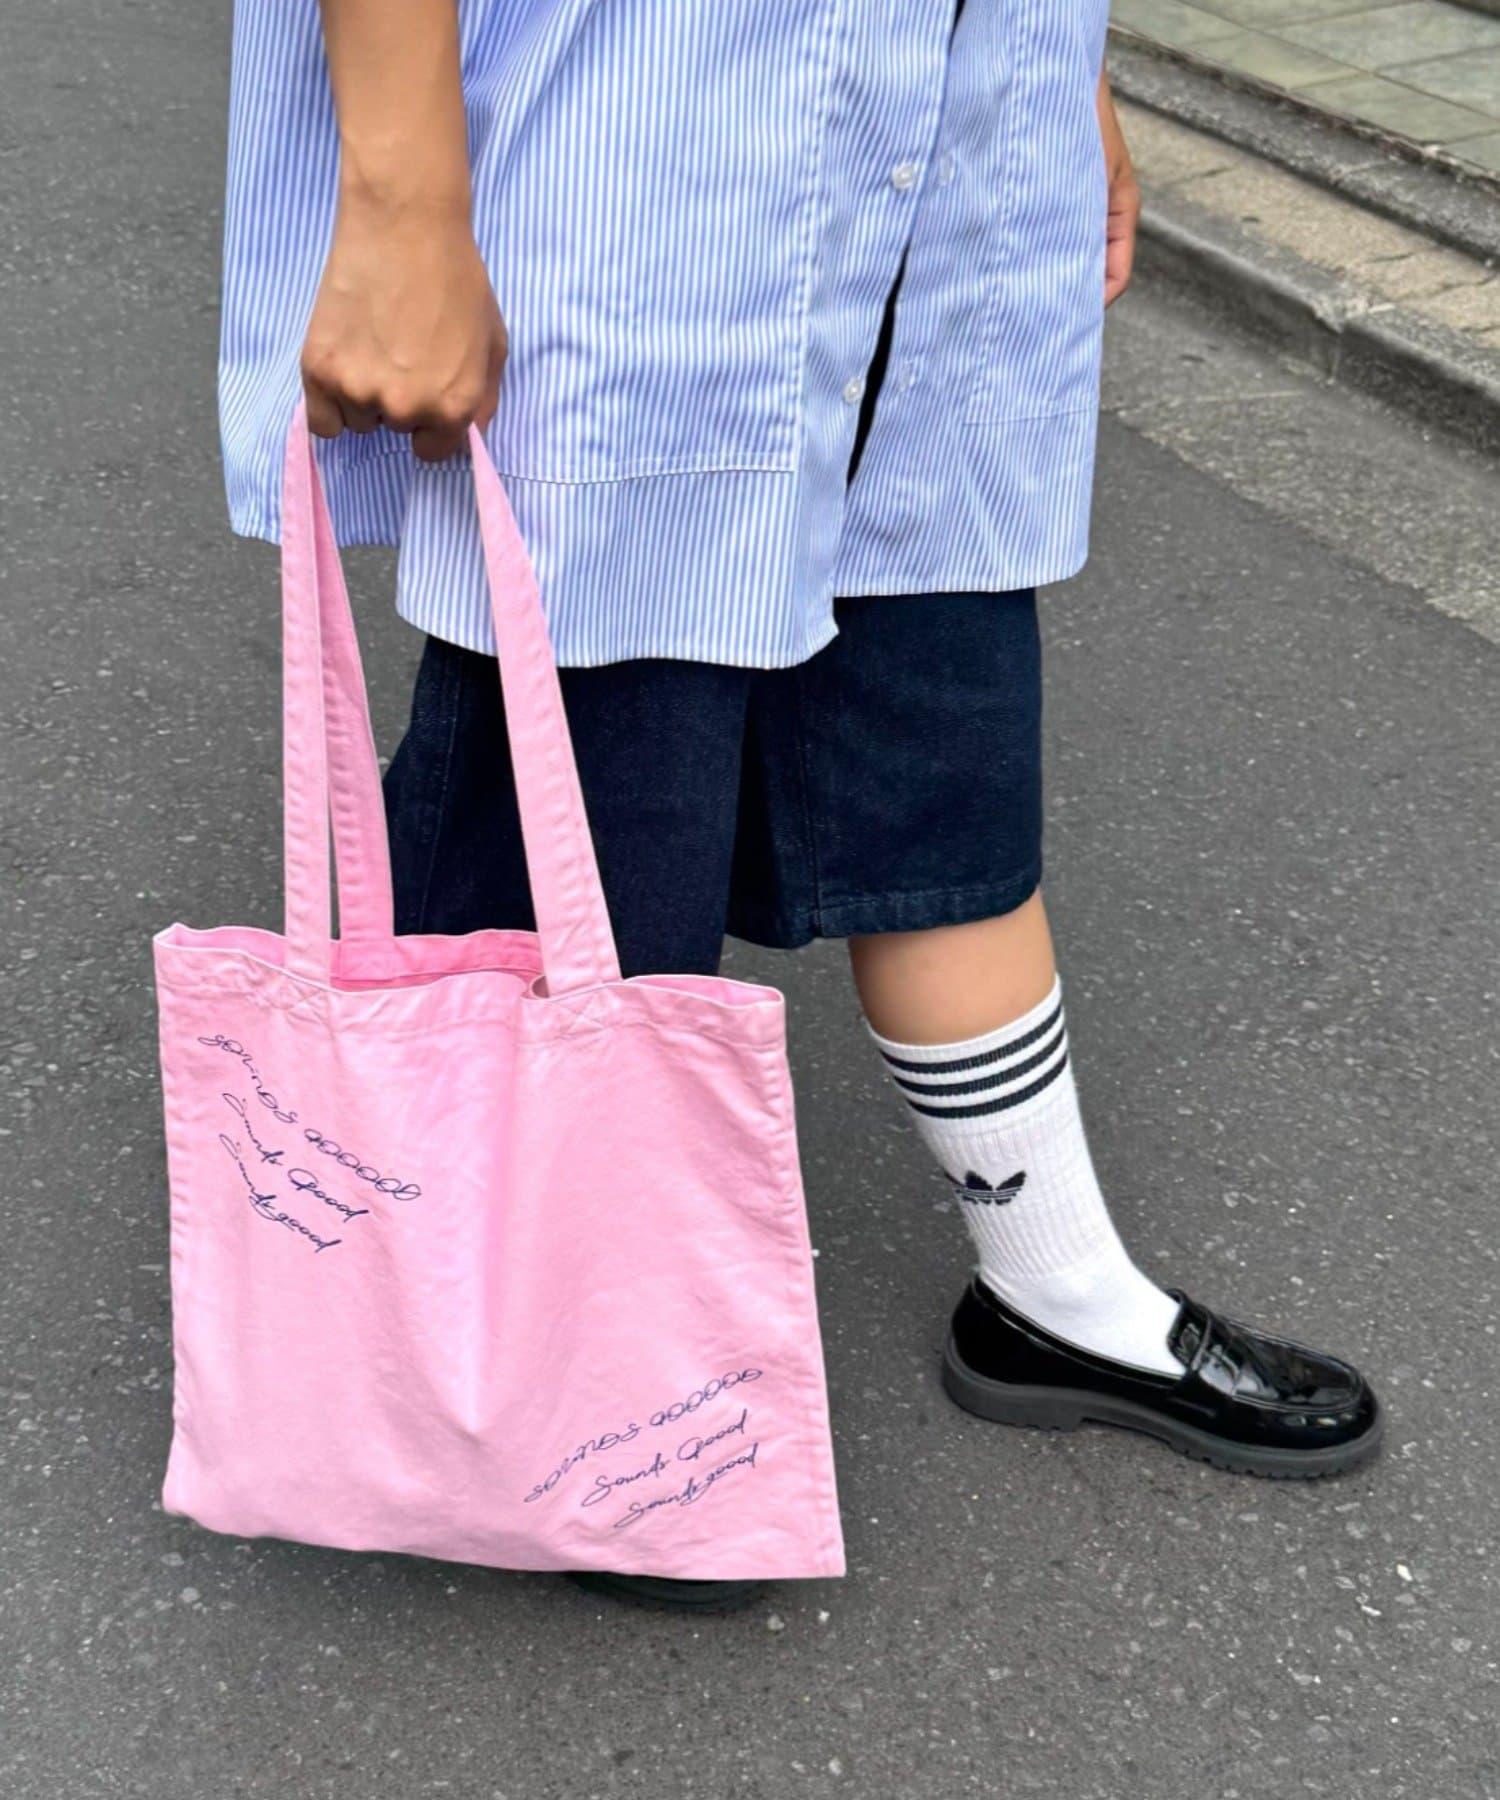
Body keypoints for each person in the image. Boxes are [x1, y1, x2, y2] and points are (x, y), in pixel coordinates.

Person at [219, 0, 1381, 1609]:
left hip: (947, 157)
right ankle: (552, 1375)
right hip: (649, 163)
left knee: (943, 748)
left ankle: (1055, 1287)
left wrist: (1076, 73)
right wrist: (402, 202)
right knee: (598, 794)